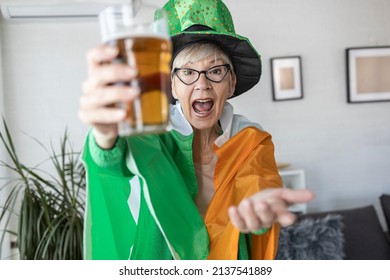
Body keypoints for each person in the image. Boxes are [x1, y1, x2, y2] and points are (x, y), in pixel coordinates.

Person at [79, 0, 314, 260]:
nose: (202, 85)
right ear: (172, 86)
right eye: (188, 72)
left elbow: (260, 185)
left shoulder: (252, 142)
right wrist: (103, 133)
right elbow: (113, 160)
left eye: (215, 71)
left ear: (232, 82)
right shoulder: (153, 135)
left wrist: (261, 211)